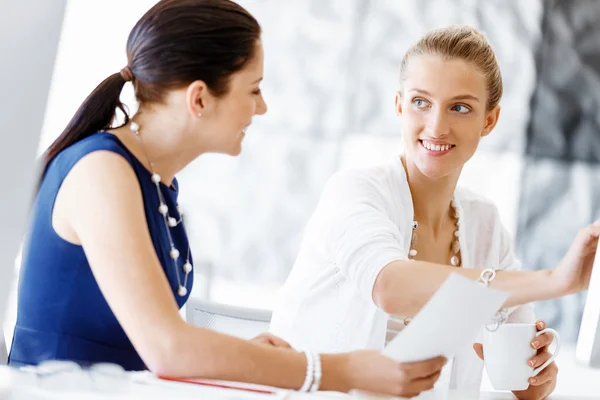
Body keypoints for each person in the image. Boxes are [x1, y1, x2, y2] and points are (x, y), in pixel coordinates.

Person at [7, 0, 449, 397]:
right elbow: (167, 349)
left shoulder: (153, 180)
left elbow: (154, 342)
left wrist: (242, 356)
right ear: (199, 98)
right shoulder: (101, 172)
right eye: (253, 89)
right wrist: (342, 370)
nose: (263, 108)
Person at [269, 25, 600, 400]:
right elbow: (391, 288)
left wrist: (536, 377)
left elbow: (522, 375)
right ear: (398, 105)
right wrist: (555, 280)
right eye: (421, 102)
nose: (436, 126)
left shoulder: (485, 225)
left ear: (488, 121)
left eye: (460, 108)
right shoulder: (354, 192)